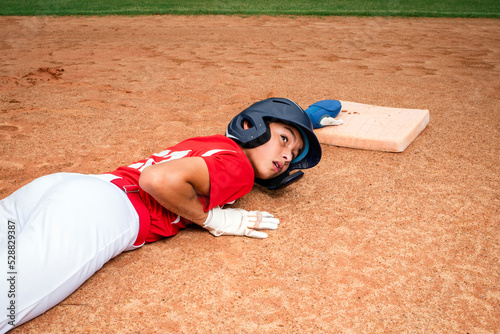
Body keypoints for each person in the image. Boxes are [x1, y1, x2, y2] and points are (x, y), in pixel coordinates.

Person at [0, 97, 322, 332]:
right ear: (256, 127)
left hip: (71, 185)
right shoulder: (239, 169)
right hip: (102, 211)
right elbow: (156, 180)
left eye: (293, 154)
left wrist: (310, 118)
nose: (286, 156)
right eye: (284, 140)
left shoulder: (215, 144)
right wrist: (213, 219)